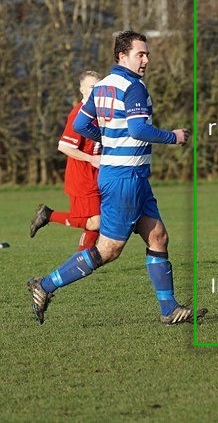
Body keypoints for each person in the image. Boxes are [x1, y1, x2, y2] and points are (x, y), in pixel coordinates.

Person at [27, 30, 206, 326]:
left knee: (158, 236)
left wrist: (108, 139)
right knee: (108, 250)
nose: (146, 59)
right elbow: (138, 130)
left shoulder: (102, 86)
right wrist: (173, 136)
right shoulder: (133, 86)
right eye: (141, 54)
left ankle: (169, 309)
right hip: (125, 178)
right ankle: (44, 286)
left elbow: (83, 124)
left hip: (131, 176)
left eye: (147, 54)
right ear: (122, 56)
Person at [29, 71, 102, 252]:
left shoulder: (101, 112)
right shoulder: (80, 113)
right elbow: (64, 146)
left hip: (99, 172)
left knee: (98, 220)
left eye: (99, 87)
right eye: (93, 87)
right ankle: (49, 215)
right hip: (83, 174)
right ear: (82, 90)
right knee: (95, 222)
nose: (97, 91)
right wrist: (91, 158)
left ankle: (82, 261)